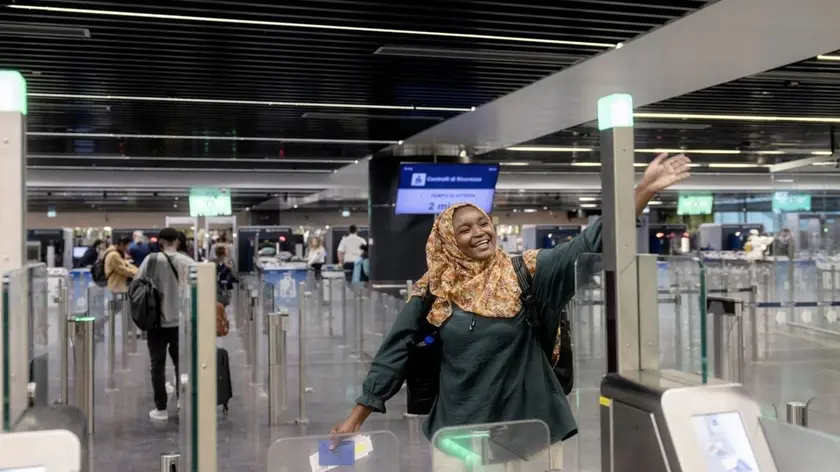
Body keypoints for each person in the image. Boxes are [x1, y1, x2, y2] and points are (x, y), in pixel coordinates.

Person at [331, 154, 691, 471]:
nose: (479, 233)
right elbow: (395, 351)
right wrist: (356, 418)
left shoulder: (528, 272)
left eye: (483, 223)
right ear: (447, 242)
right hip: (460, 434)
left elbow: (589, 243)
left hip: (530, 430)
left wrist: (643, 190)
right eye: (464, 229)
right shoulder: (435, 288)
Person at [134, 227, 195, 422]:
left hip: (156, 323)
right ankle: (182, 403)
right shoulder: (188, 262)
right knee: (181, 365)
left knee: (157, 366)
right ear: (177, 241)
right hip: (181, 323)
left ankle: (160, 409)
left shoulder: (151, 260)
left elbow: (137, 285)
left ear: (160, 242)